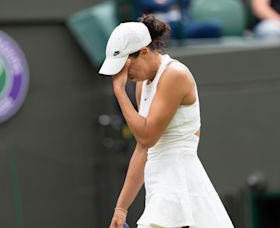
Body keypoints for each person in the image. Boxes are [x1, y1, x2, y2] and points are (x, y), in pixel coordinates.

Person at [99, 14, 234, 228]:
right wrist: (121, 208)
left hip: (179, 188)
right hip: (161, 189)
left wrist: (119, 92)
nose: (122, 74)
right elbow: (142, 149)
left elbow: (146, 136)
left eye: (124, 65)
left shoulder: (174, 75)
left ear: (143, 52)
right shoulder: (143, 84)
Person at [135, 0, 223, 39]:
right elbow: (145, 3)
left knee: (214, 27)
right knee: (160, 30)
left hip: (182, 28)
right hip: (155, 30)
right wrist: (166, 5)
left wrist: (163, 3)